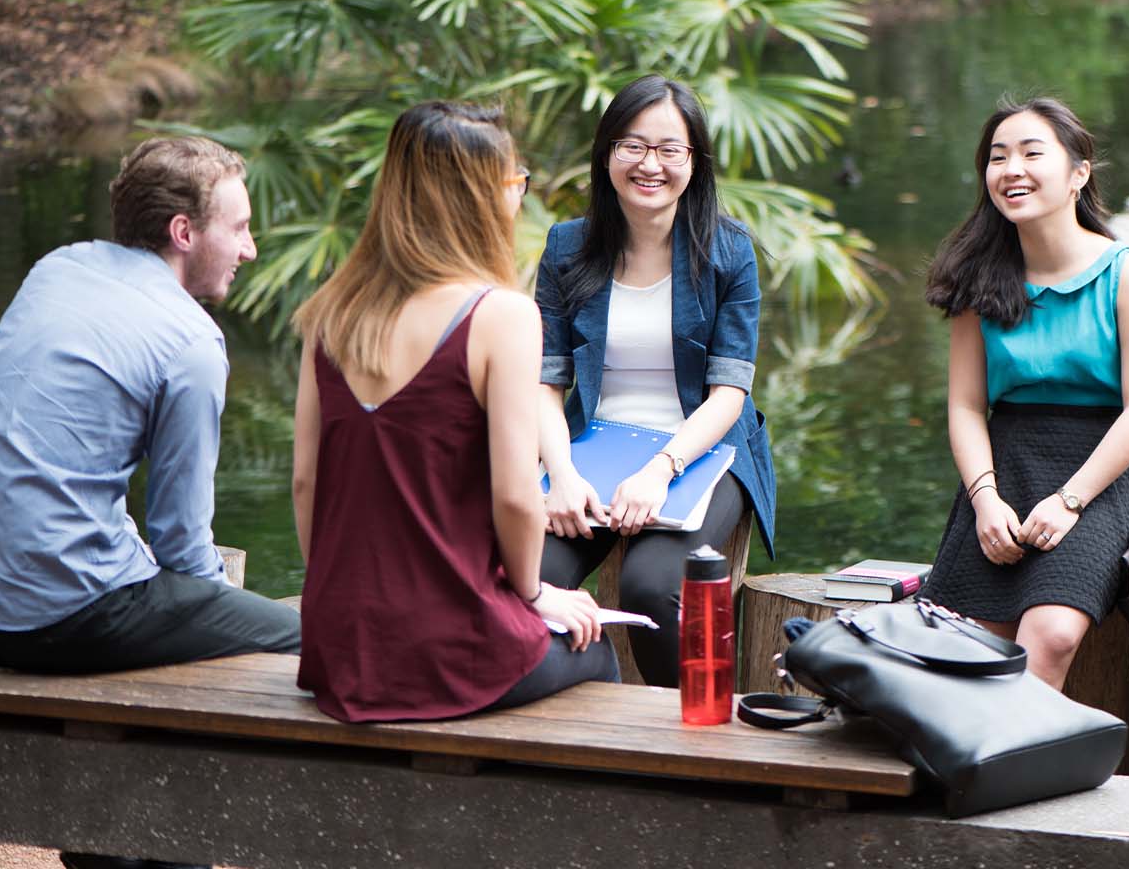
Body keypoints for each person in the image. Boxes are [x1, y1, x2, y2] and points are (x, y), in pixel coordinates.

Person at [0, 135, 301, 869]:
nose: (252, 249)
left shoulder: (57, 268)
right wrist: (212, 621)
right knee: (301, 643)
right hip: (63, 617)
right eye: (239, 227)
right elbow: (183, 544)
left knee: (182, 631)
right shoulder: (191, 341)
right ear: (184, 232)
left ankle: (127, 852)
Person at [292, 101, 617, 722]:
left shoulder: (329, 312)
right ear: (481, 197)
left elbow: (307, 482)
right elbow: (519, 498)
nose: (519, 196)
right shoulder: (500, 315)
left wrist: (349, 606)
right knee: (594, 651)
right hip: (450, 650)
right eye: (514, 181)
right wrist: (532, 595)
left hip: (342, 646)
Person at [916, 97, 1129, 690]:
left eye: (1032, 153)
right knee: (968, 643)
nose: (1012, 170)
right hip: (1005, 468)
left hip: (1105, 473)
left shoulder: (1126, 273)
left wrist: (1070, 500)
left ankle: (1019, 778)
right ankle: (971, 774)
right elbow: (964, 406)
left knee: (1051, 633)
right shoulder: (977, 278)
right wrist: (984, 500)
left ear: (1079, 172)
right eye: (998, 157)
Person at [534, 74, 776, 688]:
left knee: (651, 585)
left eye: (671, 149)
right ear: (607, 152)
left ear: (694, 161)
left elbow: (729, 393)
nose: (651, 165)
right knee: (526, 575)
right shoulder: (566, 247)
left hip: (701, 450)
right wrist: (560, 475)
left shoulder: (728, 251)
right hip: (589, 451)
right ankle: (569, 720)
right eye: (633, 146)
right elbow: (546, 383)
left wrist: (660, 469)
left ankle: (696, 739)